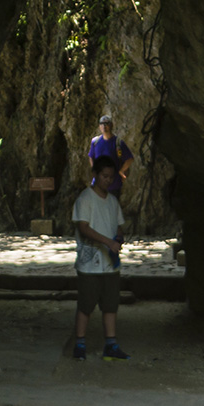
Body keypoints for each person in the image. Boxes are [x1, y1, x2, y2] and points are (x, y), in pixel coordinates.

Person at [71, 155, 130, 362]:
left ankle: (111, 344)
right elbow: (84, 227)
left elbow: (119, 224)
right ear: (94, 175)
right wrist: (107, 242)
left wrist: (119, 237)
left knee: (110, 305)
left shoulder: (113, 202)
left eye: (111, 177)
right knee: (86, 305)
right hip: (89, 265)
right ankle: (79, 344)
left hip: (110, 264)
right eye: (104, 176)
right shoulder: (85, 199)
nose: (107, 180)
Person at [88, 114, 133, 197]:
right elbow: (91, 156)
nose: (104, 126)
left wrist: (121, 171)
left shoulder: (118, 143)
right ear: (99, 126)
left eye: (106, 123)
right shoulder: (95, 142)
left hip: (113, 184)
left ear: (111, 125)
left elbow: (129, 159)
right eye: (102, 124)